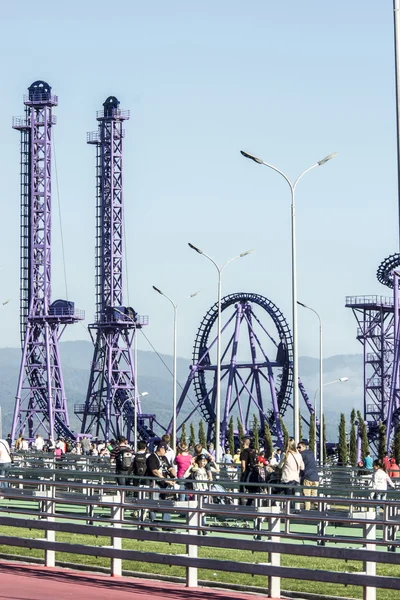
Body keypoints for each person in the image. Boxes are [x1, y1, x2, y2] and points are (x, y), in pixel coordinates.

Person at [146, 442, 176, 530]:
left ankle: (166, 524)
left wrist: (174, 475)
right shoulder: (152, 457)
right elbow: (155, 471)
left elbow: (169, 467)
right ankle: (153, 524)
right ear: (160, 449)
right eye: (165, 450)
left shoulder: (164, 457)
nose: (166, 452)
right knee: (154, 503)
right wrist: (166, 480)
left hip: (164, 484)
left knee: (166, 503)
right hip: (155, 483)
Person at [184, 455, 212, 534]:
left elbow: (217, 470)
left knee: (203, 511)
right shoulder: (195, 469)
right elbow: (185, 475)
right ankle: (194, 528)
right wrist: (191, 465)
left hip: (204, 491)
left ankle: (203, 528)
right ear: (198, 461)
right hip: (196, 492)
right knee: (195, 510)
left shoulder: (206, 469)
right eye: (202, 461)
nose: (204, 463)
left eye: (205, 461)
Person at [298, 441, 319, 510]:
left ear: (304, 447)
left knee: (307, 497)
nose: (298, 449)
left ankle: (307, 512)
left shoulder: (301, 455)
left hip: (307, 477)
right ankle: (318, 509)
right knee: (314, 496)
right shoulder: (311, 453)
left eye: (299, 447)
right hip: (315, 477)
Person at [239, 435, 257, 505]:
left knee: (243, 490)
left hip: (247, 473)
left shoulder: (244, 452)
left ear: (244, 443)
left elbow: (243, 465)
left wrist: (243, 474)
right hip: (253, 473)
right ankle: (249, 503)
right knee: (252, 491)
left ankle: (244, 507)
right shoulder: (253, 451)